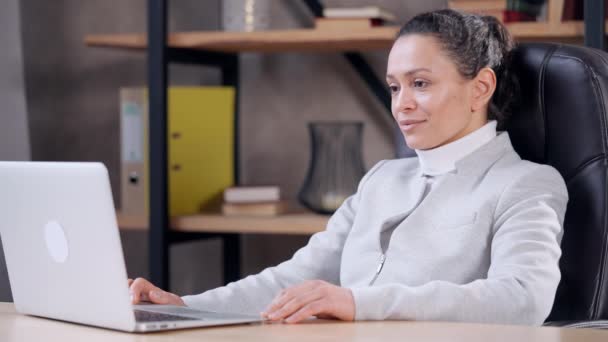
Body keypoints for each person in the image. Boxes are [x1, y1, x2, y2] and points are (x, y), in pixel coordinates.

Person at [129, 9, 568, 326]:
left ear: (481, 88)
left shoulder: (525, 183)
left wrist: (360, 303)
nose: (402, 104)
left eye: (420, 84)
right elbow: (298, 277)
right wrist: (185, 306)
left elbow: (523, 299)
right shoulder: (382, 179)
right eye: (395, 87)